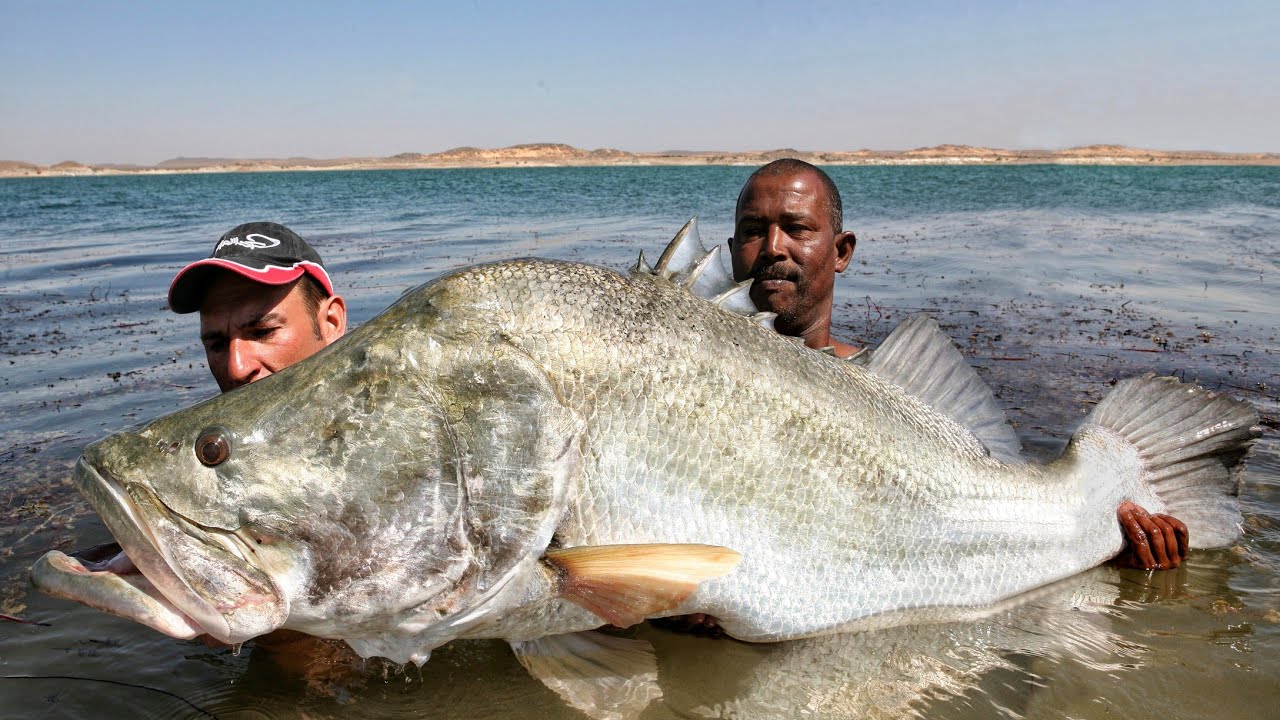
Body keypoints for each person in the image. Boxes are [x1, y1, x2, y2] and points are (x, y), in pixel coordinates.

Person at [727, 158, 1189, 572]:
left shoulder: (896, 388)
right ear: (731, 250)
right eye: (752, 230)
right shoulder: (699, 383)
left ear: (842, 251)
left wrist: (1108, 541)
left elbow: (991, 517)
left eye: (798, 228)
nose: (771, 247)